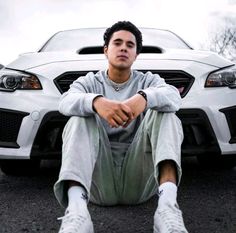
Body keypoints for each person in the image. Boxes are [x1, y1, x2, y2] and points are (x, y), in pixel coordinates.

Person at [54, 21, 188, 233]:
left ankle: (168, 209)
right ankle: (77, 213)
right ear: (106, 50)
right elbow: (65, 101)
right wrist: (97, 102)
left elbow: (173, 96)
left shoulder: (148, 80)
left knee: (167, 113)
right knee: (79, 116)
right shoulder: (89, 81)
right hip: (98, 183)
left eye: (130, 45)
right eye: (117, 43)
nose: (124, 47)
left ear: (136, 55)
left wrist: (144, 97)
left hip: (139, 179)